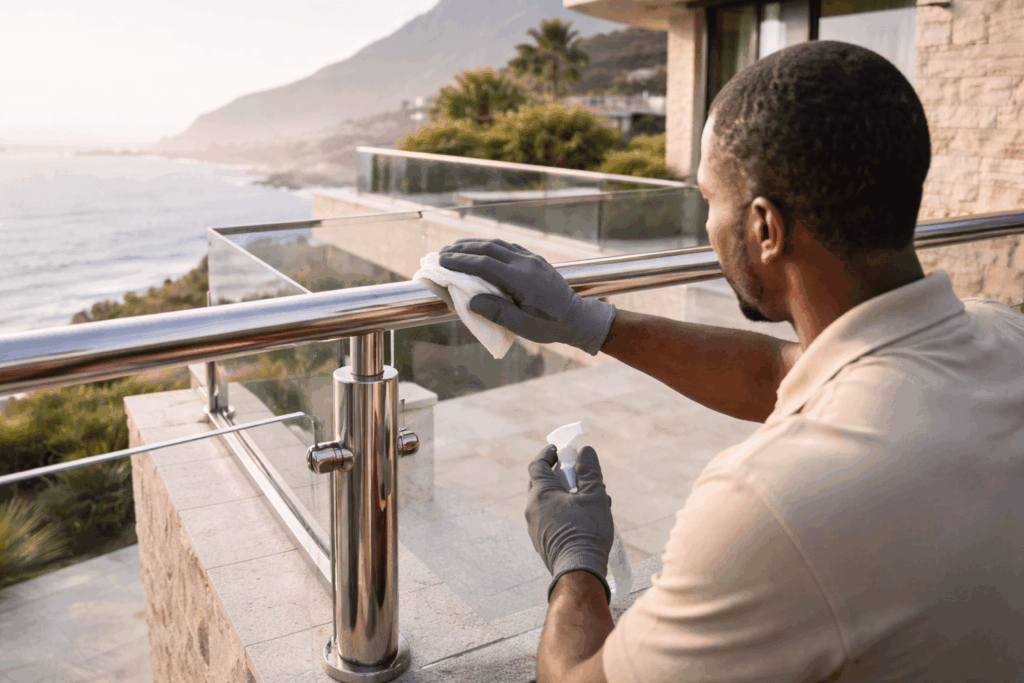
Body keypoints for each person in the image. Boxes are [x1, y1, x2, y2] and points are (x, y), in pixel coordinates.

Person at [438, 40, 1024, 682]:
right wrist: (587, 322)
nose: (706, 223)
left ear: (764, 228)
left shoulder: (772, 503)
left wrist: (576, 567)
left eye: (709, 199)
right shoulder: (1002, 333)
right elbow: (782, 372)